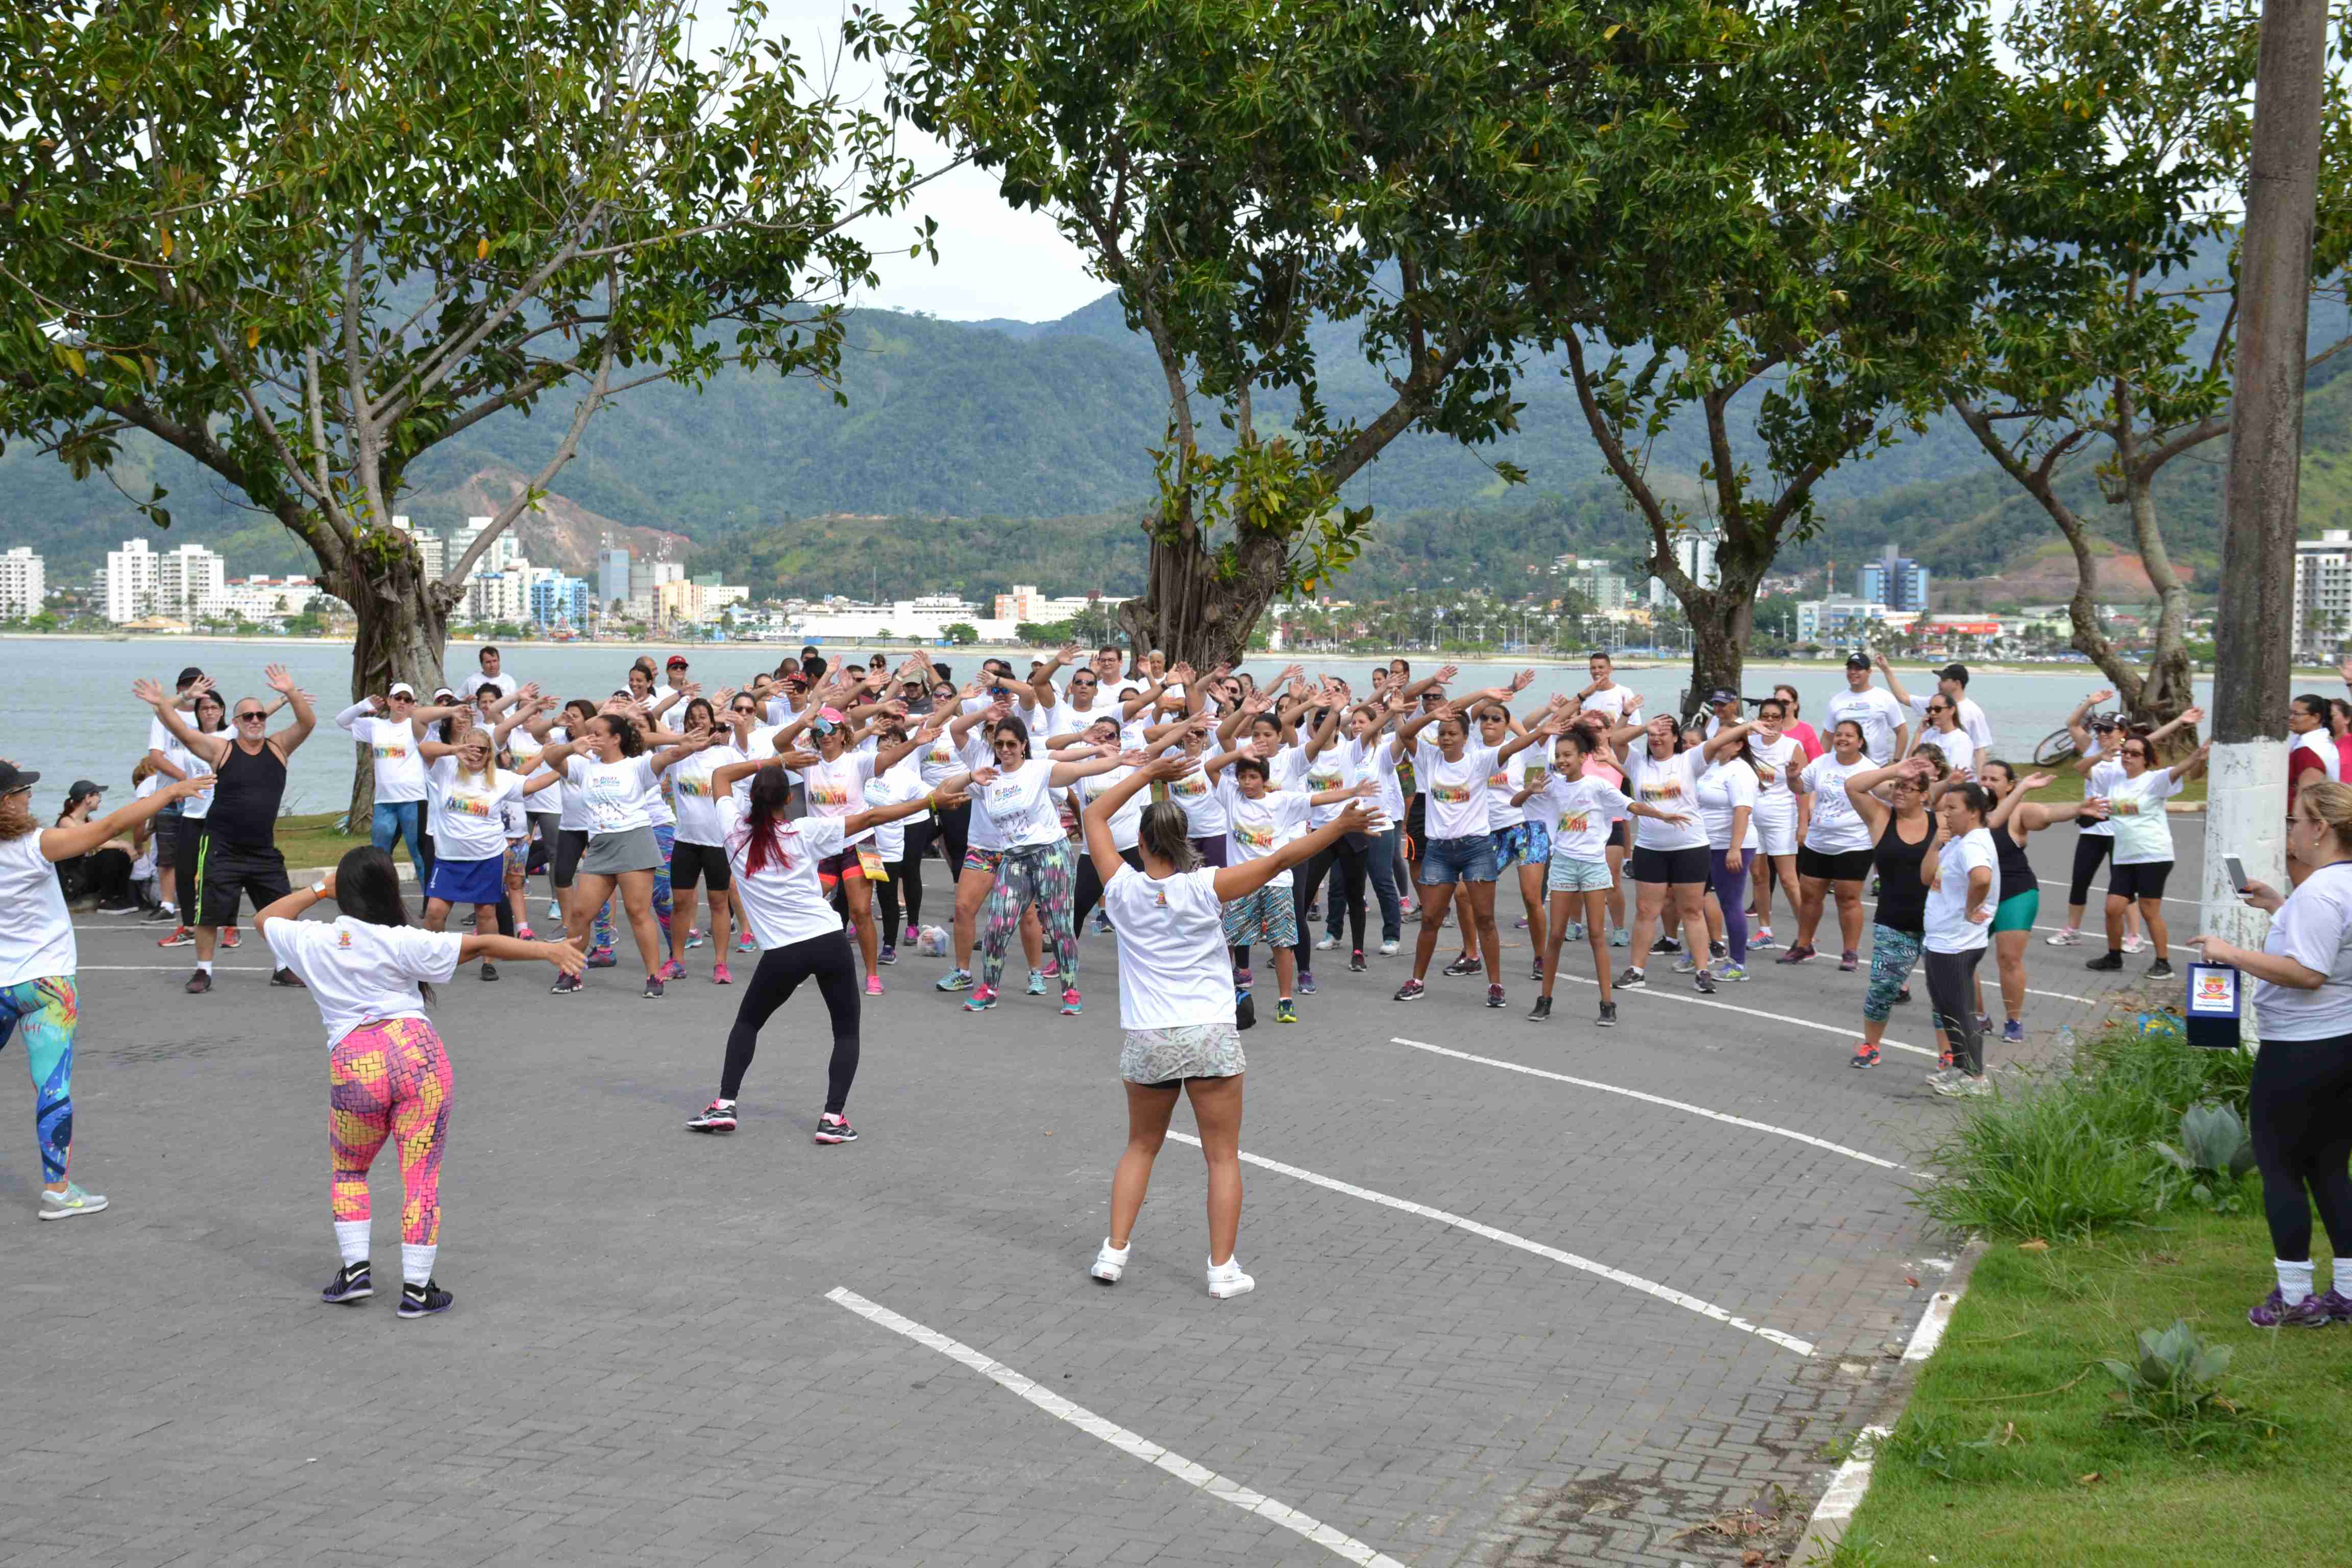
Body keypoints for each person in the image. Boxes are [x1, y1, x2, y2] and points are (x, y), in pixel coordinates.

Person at [1081, 754, 1375, 1300]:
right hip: (1210, 1032)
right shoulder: (1206, 886)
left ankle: (1113, 1252)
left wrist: (1147, 774)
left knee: (1141, 1146)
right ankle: (1222, 1270)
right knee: (1222, 1155)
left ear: (1143, 844)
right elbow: (1283, 855)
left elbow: (1094, 816)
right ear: (1183, 841)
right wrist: (1338, 826)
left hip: (1149, 1035)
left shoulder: (1120, 886)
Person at [258, 847, 581, 1316]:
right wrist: (548, 949)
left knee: (350, 1171)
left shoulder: (314, 940)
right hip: (418, 1059)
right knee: (421, 1178)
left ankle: (354, 1273)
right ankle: (417, 1289)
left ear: (342, 892)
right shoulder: (403, 940)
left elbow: (266, 917)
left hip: (355, 1065)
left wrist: (317, 889)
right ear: (389, 889)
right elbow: (482, 945)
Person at [684, 748, 970, 1142]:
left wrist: (775, 762)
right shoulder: (804, 831)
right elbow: (870, 818)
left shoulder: (732, 831)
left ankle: (725, 1105)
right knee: (845, 1032)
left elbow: (719, 775)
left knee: (748, 1023)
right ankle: (832, 1119)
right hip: (828, 940)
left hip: (782, 953)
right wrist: (932, 801)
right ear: (788, 799)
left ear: (751, 798)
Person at [0, 760, 213, 1219]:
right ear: (6, 803)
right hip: (48, 985)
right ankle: (57, 1192)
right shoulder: (41, 845)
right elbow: (117, 823)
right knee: (52, 1088)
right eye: (21, 791)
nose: (29, 796)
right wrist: (173, 792)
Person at [2188, 781, 2352, 1327]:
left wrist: (2229, 952)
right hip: (2341, 1043)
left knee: (2281, 1167)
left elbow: (2309, 972)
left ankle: (2295, 1293)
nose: (2290, 834)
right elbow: (2329, 946)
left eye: (2294, 822)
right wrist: (2280, 907)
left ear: (2320, 829)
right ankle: (2346, 1291)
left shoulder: (2321, 893)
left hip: (2301, 1048)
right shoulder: (2337, 888)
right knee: (2330, 1166)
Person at [135, 667, 318, 994]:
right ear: (235, 723)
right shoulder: (222, 749)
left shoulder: (279, 748)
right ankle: (203, 971)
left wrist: (291, 692)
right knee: (209, 913)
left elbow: (308, 723)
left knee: (280, 913)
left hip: (263, 850)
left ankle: (283, 968)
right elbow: (182, 731)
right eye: (247, 716)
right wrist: (167, 702)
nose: (254, 720)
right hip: (222, 847)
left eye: (260, 715)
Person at [524, 712, 719, 997]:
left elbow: (671, 756)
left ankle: (654, 977)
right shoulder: (584, 765)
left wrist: (686, 742)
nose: (592, 738)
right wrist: (571, 746)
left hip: (633, 840)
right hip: (601, 845)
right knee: (580, 913)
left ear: (616, 739)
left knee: (637, 912)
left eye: (598, 734)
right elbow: (553, 759)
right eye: (590, 733)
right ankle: (571, 973)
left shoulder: (637, 766)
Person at [1390, 677, 1552, 1009]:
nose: (1446, 739)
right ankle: (1417, 980)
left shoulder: (1479, 761)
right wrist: (1432, 717)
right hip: (1439, 852)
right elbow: (1405, 734)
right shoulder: (1429, 759)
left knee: (1486, 919)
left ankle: (1496, 984)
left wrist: (1543, 732)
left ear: (1466, 738)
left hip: (1477, 848)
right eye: (1443, 735)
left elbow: (1511, 748)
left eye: (1453, 734)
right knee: (1431, 919)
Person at [964, 717, 1133, 1016]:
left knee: (1059, 926)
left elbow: (1083, 768)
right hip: (1014, 858)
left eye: (1012, 744)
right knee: (997, 926)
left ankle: (1070, 990)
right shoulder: (988, 779)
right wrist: (969, 777)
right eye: (1000, 744)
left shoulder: (1038, 769)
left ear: (1023, 746)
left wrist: (1120, 759)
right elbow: (946, 788)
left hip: (1049, 854)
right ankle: (989, 988)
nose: (1005, 750)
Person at [1521, 727, 1687, 1023]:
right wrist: (1529, 790)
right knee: (1556, 936)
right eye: (1558, 755)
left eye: (1568, 755)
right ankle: (1544, 1000)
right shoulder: (1553, 786)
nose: (1562, 760)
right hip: (1562, 865)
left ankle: (1607, 1003)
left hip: (1593, 866)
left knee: (1597, 936)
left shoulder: (1597, 786)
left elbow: (1631, 806)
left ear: (1583, 757)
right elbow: (1515, 804)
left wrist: (1663, 815)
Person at [1980, 764, 2109, 1043]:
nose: (1988, 783)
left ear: (2010, 786)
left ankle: (2013, 1021)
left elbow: (2047, 814)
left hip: (2016, 892)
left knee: (2009, 959)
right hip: (1976, 896)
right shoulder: (1969, 811)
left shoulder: (2019, 812)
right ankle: (1978, 1016)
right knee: (1964, 959)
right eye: (1984, 778)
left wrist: (2078, 809)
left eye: (1995, 779)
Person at [1602, 710, 1720, 995]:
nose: (1656, 739)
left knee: (1692, 910)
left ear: (1676, 738)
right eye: (1652, 735)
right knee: (1646, 911)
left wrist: (1750, 726)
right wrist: (1644, 726)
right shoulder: (1637, 762)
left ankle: (1702, 971)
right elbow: (1613, 739)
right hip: (1651, 849)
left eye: (1662, 734)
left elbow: (1718, 742)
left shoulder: (1689, 760)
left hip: (1690, 847)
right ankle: (1637, 970)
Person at [2082, 716, 2209, 979]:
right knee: (2112, 908)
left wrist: (2198, 755)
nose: (2128, 757)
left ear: (2146, 759)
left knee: (2149, 910)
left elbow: (2178, 770)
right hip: (2125, 857)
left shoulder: (2155, 780)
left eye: (2135, 754)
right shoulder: (2114, 780)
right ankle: (2114, 956)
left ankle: (2163, 962)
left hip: (2154, 855)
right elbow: (2081, 768)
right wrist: (2101, 755)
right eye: (2125, 751)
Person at [1834, 756, 1937, 1070]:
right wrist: (1896, 770)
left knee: (1944, 995)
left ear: (1924, 795)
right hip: (1894, 921)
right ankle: (1871, 1046)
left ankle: (1950, 1054)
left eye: (1909, 788)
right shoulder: (1882, 817)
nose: (1900, 792)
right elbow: (1853, 786)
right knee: (1882, 990)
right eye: (1897, 787)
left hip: (1938, 923)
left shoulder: (1941, 822)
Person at [413, 726, 528, 975]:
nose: (476, 753)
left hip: (486, 856)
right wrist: (456, 750)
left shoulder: (500, 778)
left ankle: (489, 961)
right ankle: (433, 958)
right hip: (449, 858)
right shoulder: (446, 769)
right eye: (471, 747)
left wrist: (564, 764)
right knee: (435, 912)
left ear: (490, 755)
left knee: (486, 911)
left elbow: (533, 785)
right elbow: (424, 748)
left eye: (482, 750)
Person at [2046, 689, 2145, 949]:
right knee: (2080, 880)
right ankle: (2072, 930)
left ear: (2123, 733)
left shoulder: (2130, 756)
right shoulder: (2091, 748)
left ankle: (2134, 936)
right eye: (2100, 729)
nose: (2102, 734)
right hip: (2092, 829)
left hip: (2120, 830)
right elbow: (2072, 724)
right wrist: (2090, 702)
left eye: (2109, 730)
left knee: (2123, 886)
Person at [1920, 781, 2000, 1096]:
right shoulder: (1957, 840)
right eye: (1944, 808)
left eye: (1952, 808)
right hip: (1941, 938)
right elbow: (1927, 878)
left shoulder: (1973, 844)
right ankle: (1961, 1067)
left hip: (1958, 941)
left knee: (1960, 1007)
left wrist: (1970, 908)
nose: (1946, 814)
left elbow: (1982, 878)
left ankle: (1976, 1077)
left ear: (1975, 812)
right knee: (1946, 1006)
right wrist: (1935, 846)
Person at [1782, 720, 1876, 969]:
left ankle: (1850, 953)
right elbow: (1801, 788)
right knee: (1810, 896)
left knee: (1848, 899)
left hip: (1854, 843)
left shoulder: (1869, 769)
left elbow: (1881, 807)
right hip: (1819, 841)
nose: (1843, 739)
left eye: (1850, 736)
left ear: (1860, 741)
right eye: (1839, 735)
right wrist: (1792, 777)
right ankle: (1804, 945)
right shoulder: (1822, 763)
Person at [337, 683, 436, 892]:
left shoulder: (416, 728)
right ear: (389, 701)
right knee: (379, 855)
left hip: (413, 800)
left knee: (418, 854)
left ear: (413, 705)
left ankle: (430, 903)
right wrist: (364, 705)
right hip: (384, 802)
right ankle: (377, 899)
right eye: (397, 698)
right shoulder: (375, 726)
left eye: (407, 699)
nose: (402, 702)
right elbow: (341, 721)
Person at [1739, 699, 1807, 949]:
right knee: (1758, 876)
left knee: (1789, 879)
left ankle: (1805, 935)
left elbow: (1805, 789)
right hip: (1751, 820)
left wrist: (1803, 824)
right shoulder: (1748, 743)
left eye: (1775, 717)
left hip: (1781, 818)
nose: (1769, 721)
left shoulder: (1792, 747)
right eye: (1765, 716)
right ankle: (1765, 931)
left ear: (1783, 720)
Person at [1879, 658, 1993, 767]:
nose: (1939, 684)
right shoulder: (1933, 703)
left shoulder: (1973, 712)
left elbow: (1980, 750)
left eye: (1944, 680)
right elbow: (1903, 698)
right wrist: (1887, 671)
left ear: (1957, 684)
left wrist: (1980, 782)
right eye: (1930, 710)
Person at [52, 781, 141, 914]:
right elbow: (90, 841)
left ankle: (118, 897)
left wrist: (123, 845)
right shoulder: (66, 822)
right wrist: (121, 844)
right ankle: (106, 900)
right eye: (98, 795)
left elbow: (100, 840)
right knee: (113, 853)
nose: (100, 799)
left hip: (84, 873)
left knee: (120, 853)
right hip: (73, 879)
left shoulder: (88, 820)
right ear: (88, 798)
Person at [1827, 652, 1909, 765]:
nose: (1853, 672)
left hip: (1878, 767)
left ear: (1869, 672)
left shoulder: (1884, 697)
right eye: (1850, 668)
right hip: (1844, 767)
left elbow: (1902, 731)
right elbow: (1827, 737)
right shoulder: (1836, 701)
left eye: (1858, 668)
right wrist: (1821, 765)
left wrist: (1896, 761)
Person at [1773, 685, 1822, 763]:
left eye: (1785, 702)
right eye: (1776, 702)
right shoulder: (1766, 728)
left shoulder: (1806, 730)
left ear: (1795, 705)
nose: (1780, 706)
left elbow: (1817, 762)